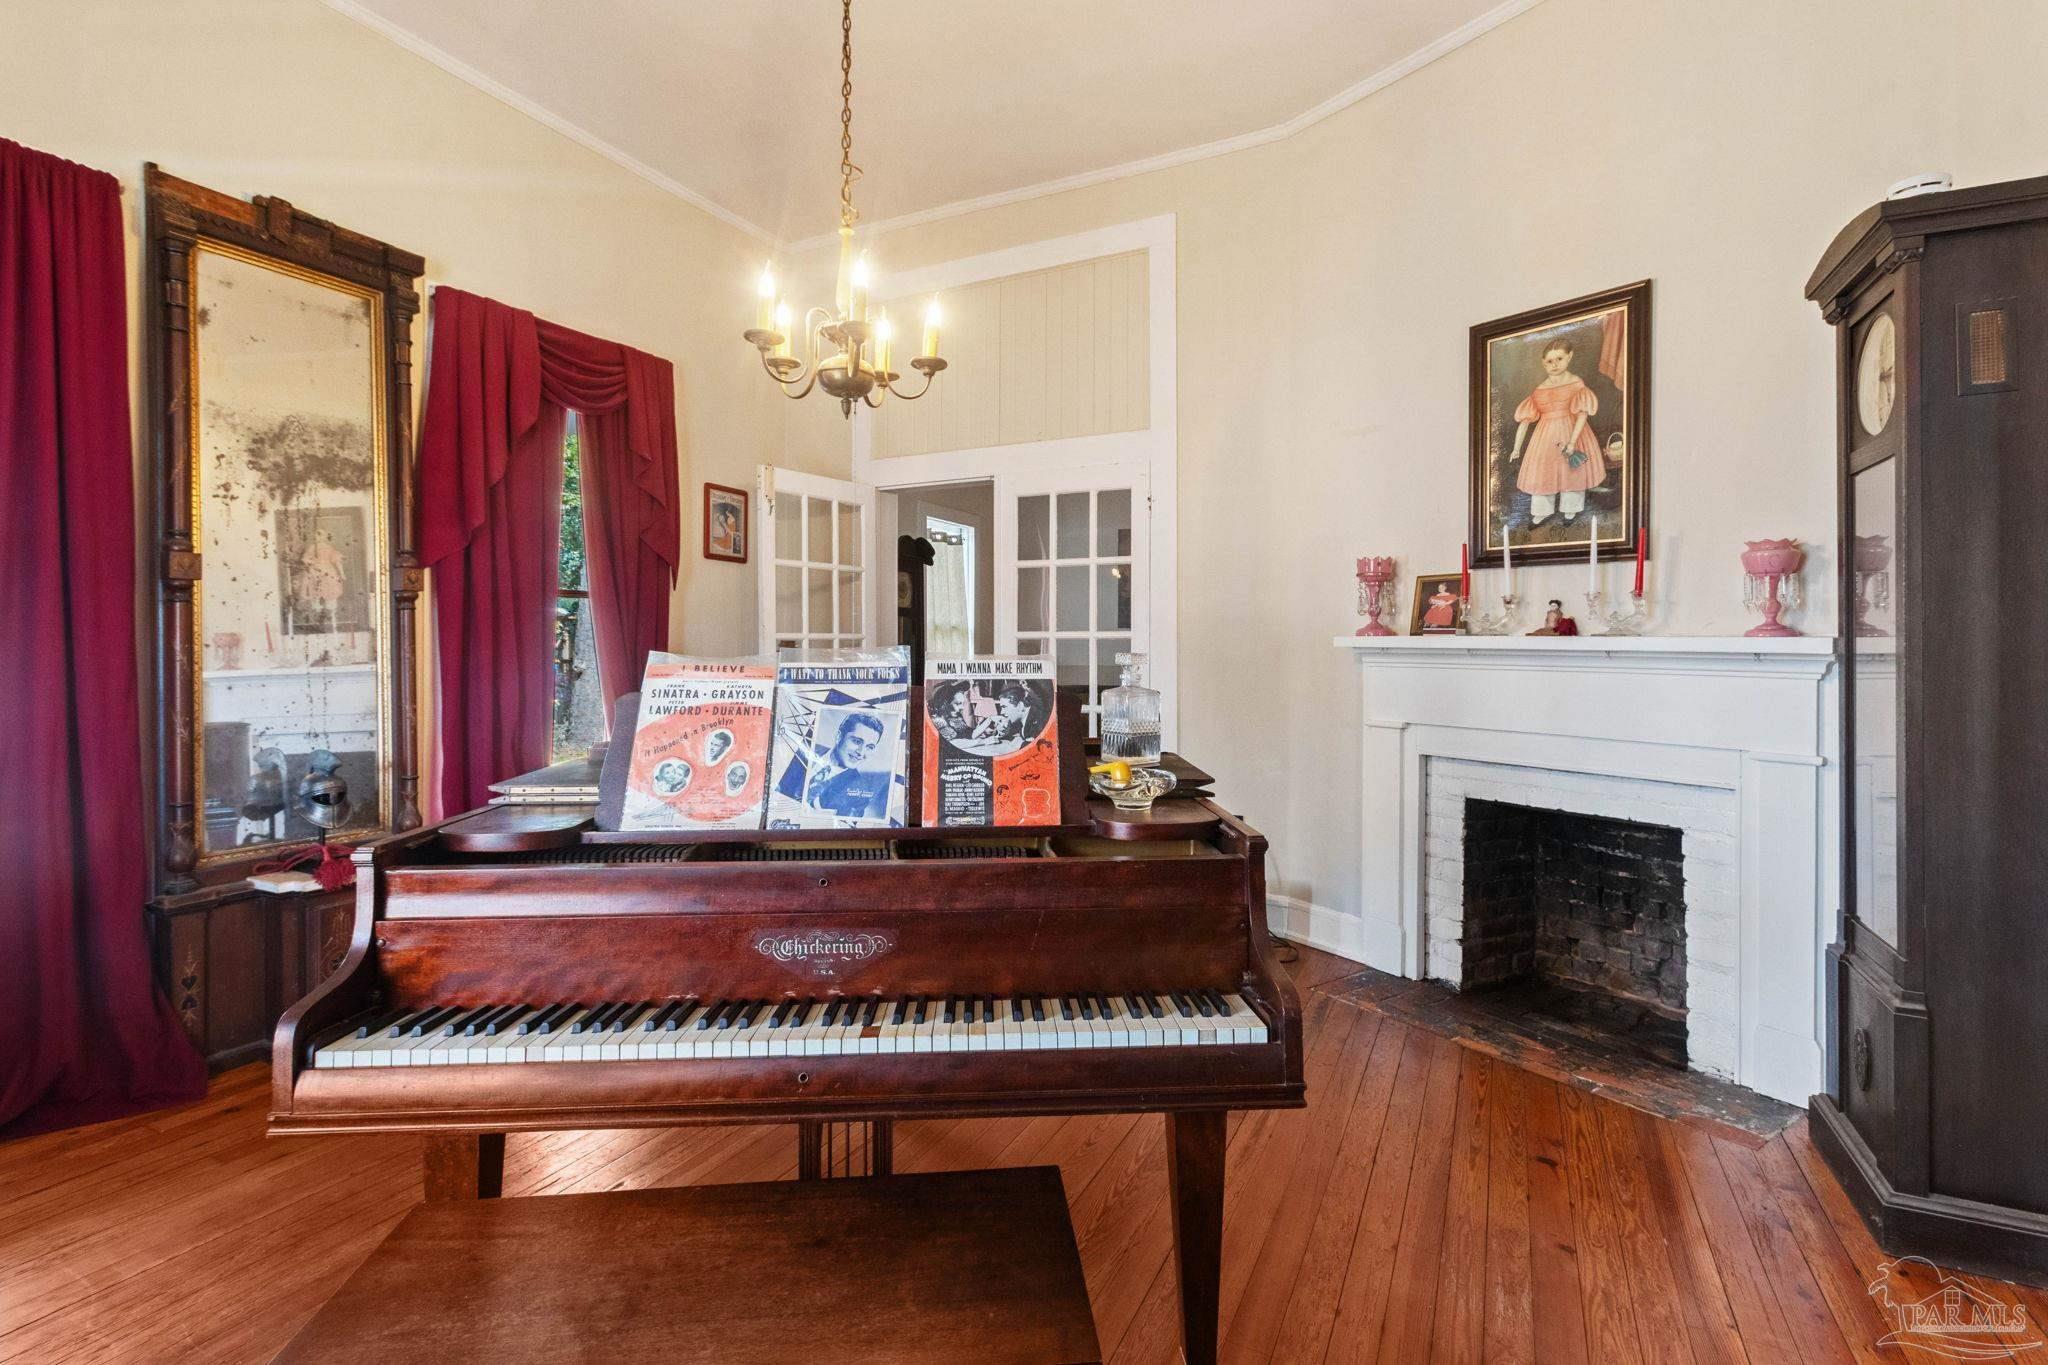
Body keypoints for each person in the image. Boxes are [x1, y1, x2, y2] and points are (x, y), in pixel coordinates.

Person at [1506, 338, 1605, 526]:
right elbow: (1525, 421)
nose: (1555, 365)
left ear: (1569, 357)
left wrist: (1572, 442)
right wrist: (1516, 448)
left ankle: (1571, 509)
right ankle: (1542, 511)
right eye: (1550, 361)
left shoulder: (1576, 384)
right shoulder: (1539, 390)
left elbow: (1582, 415)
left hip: (1572, 431)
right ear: (1544, 363)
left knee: (1571, 471)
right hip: (1544, 437)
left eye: (1559, 359)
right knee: (1543, 471)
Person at [805, 712, 891, 818]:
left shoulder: (859, 795)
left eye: (869, 747)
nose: (861, 752)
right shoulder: (806, 749)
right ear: (839, 736)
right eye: (857, 741)